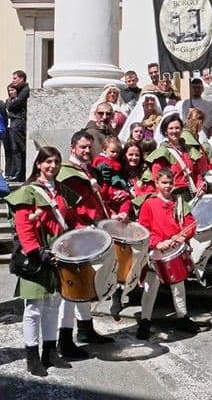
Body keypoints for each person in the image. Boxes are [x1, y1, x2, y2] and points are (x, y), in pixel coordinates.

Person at [5, 147, 80, 376]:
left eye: (56, 162)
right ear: (38, 164)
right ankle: (32, 357)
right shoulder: (28, 192)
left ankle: (49, 352)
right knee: (34, 309)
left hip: (59, 256)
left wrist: (72, 243)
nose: (53, 166)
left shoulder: (62, 190)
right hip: (36, 258)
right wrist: (39, 252)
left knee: (53, 305)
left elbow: (72, 220)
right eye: (48, 162)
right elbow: (24, 227)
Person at [55, 131, 115, 358]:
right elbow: (70, 209)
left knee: (84, 285)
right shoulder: (67, 175)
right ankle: (64, 340)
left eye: (90, 147)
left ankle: (86, 329)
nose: (87, 151)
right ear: (72, 147)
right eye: (82, 147)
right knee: (71, 290)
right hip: (74, 237)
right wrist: (88, 225)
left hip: (90, 234)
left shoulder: (88, 171)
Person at [136, 167, 200, 339]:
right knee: (150, 288)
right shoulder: (149, 204)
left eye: (170, 183)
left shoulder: (180, 202)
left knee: (178, 286)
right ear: (156, 183)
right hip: (156, 251)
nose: (168, 186)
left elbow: (191, 224)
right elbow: (143, 230)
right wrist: (157, 243)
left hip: (175, 249)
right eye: (164, 182)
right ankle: (145, 321)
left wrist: (183, 236)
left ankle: (182, 317)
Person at [91, 136, 132, 221]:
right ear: (104, 150)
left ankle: (123, 214)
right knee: (106, 204)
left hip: (114, 188)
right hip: (107, 189)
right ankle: (115, 215)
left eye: (117, 152)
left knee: (126, 200)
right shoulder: (102, 161)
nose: (115, 154)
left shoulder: (115, 162)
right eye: (112, 152)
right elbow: (104, 181)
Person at [5, 70, 30, 181]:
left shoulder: (24, 91)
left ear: (22, 78)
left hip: (19, 123)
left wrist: (13, 99)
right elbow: (9, 106)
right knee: (15, 149)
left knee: (18, 149)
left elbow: (11, 106)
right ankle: (15, 173)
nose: (13, 81)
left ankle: (19, 174)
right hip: (15, 123)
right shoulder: (19, 91)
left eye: (15, 78)